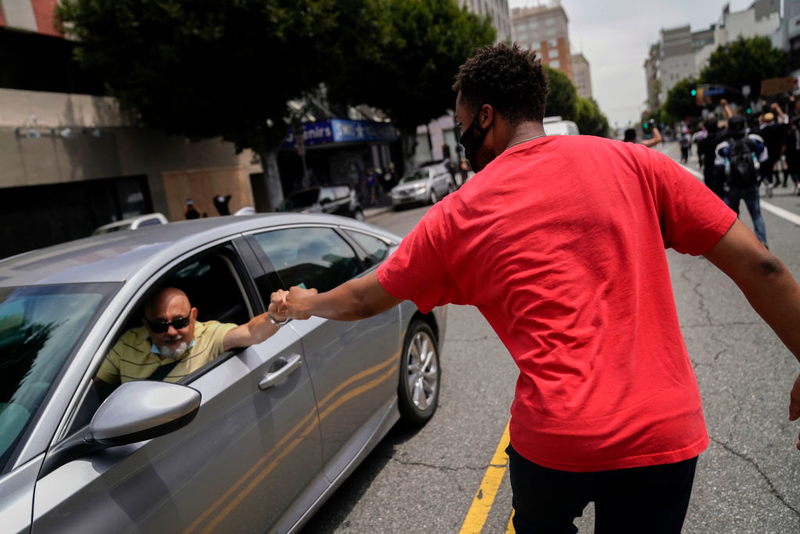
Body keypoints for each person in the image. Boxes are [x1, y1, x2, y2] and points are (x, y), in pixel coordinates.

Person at [271, 44, 800, 533]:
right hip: (662, 434)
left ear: (486, 117)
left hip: (556, 442)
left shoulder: (457, 215)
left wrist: (304, 303)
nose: (464, 146)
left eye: (462, 129)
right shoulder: (634, 164)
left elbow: (366, 297)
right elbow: (763, 268)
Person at [95, 287, 288, 390]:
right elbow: (93, 388)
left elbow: (250, 332)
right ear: (146, 325)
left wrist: (276, 316)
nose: (170, 332)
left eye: (179, 322)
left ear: (193, 316)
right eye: (159, 325)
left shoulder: (210, 335)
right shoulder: (128, 342)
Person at [715, 115, 769, 247]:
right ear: (744, 125)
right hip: (751, 184)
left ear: (729, 127)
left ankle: (740, 245)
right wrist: (761, 178)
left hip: (732, 187)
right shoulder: (755, 141)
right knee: (756, 215)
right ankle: (762, 242)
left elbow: (719, 170)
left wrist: (720, 190)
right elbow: (764, 160)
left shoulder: (723, 147)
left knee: (733, 219)